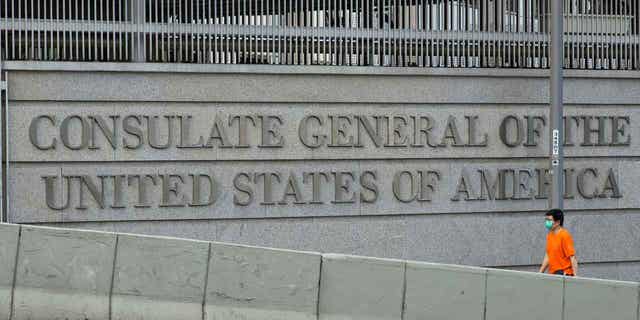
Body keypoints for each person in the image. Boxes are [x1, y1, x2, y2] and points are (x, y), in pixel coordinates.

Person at [538, 208, 578, 276]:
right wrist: (540, 273)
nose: (547, 222)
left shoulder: (565, 235)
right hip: (553, 273)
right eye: (546, 220)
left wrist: (575, 277)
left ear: (558, 222)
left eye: (549, 220)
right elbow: (548, 255)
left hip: (564, 274)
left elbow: (572, 257)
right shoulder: (550, 235)